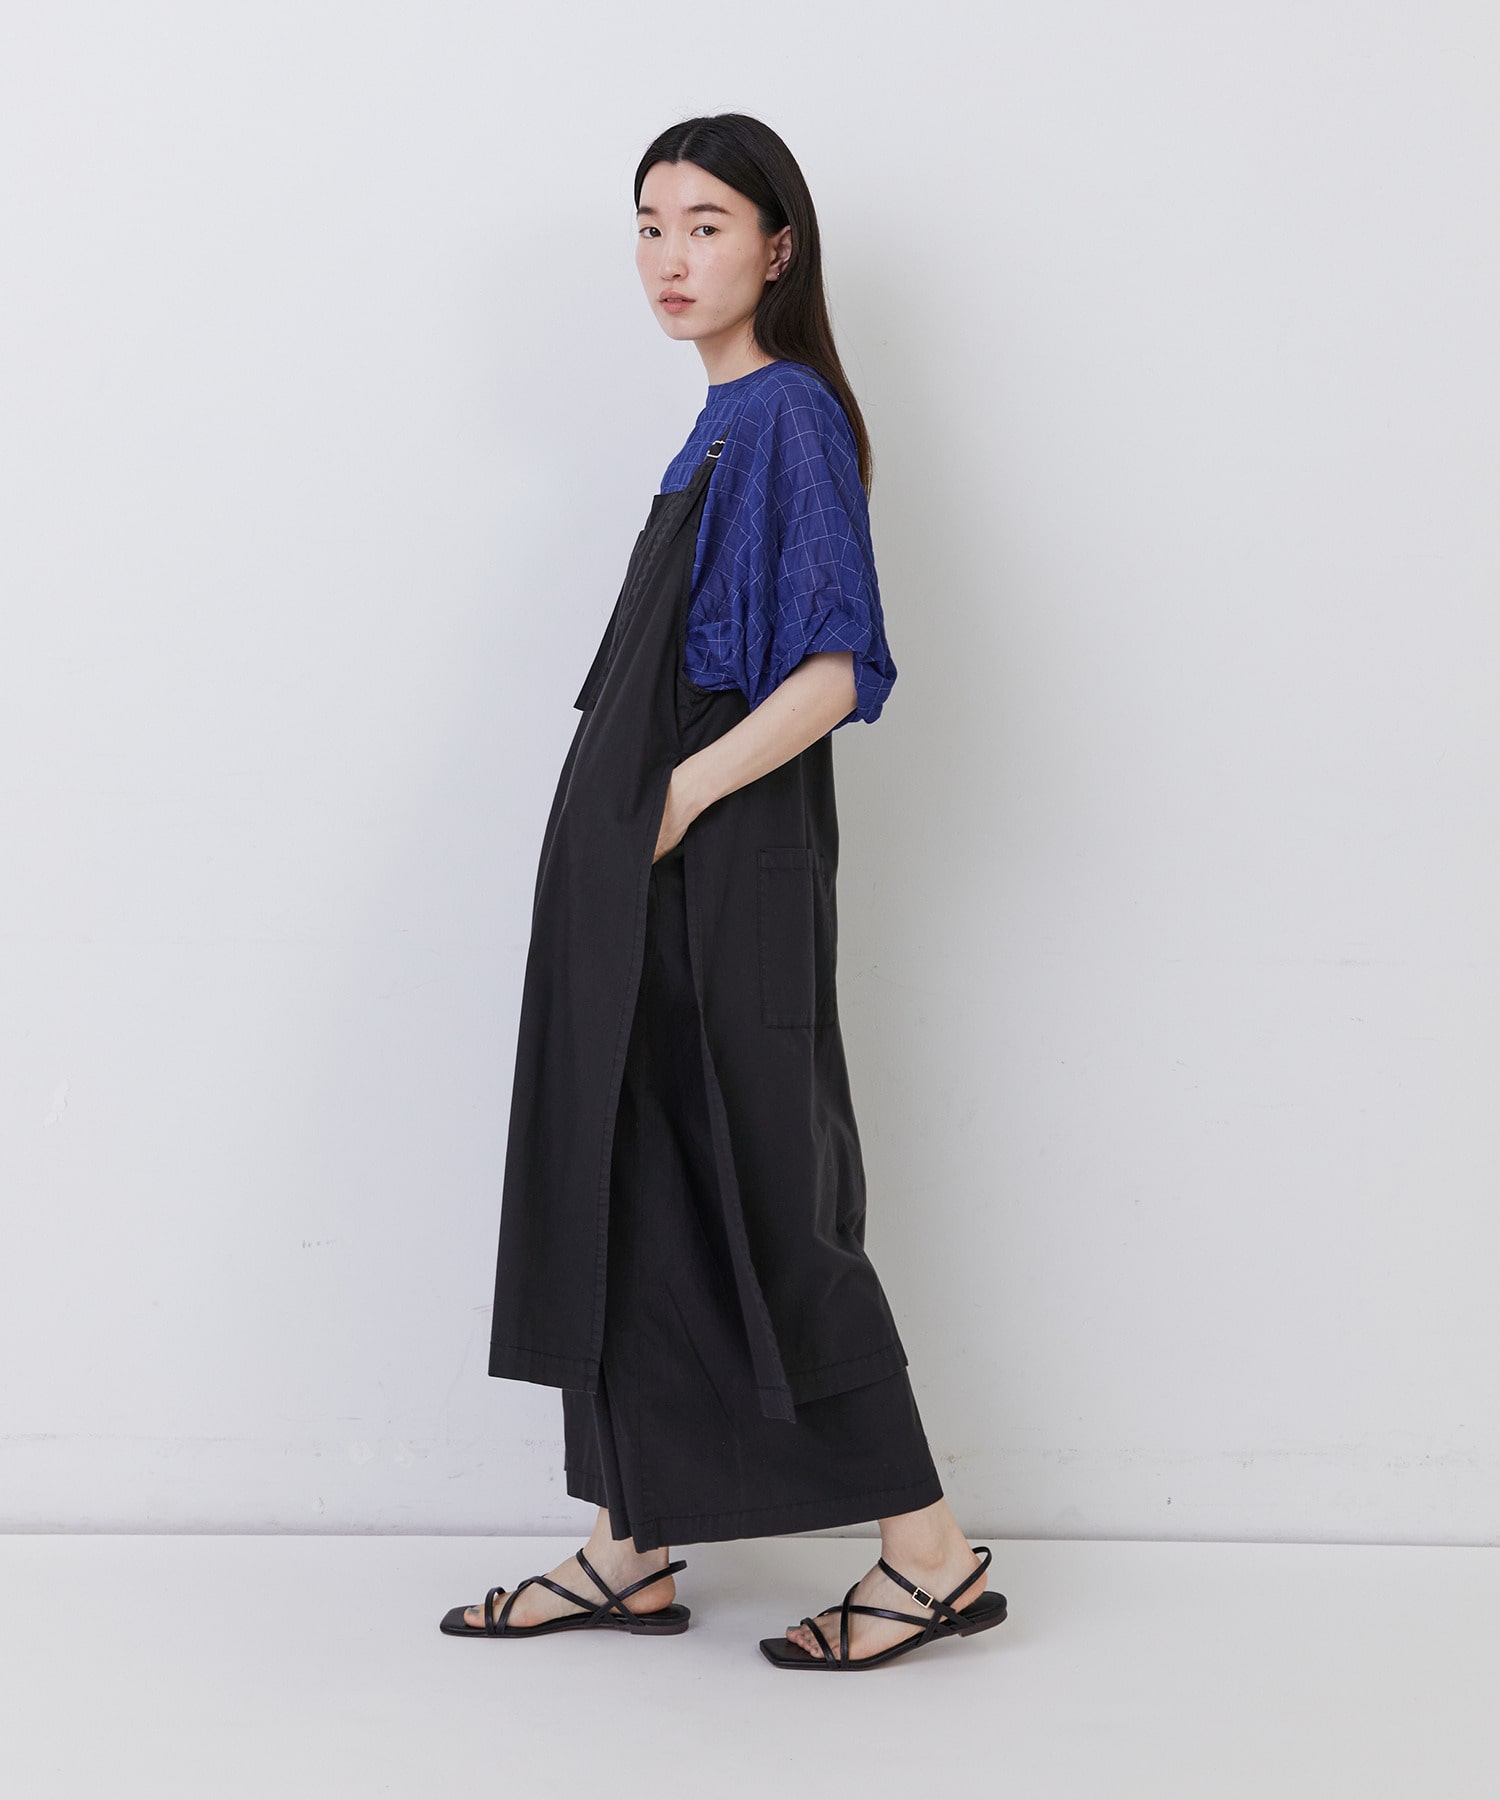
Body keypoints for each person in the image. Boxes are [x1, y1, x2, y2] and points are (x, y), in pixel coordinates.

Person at [440, 114, 1006, 1671]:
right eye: (650, 225)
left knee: (769, 1200)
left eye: (705, 224)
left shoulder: (787, 419)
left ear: (779, 245)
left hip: (720, 871)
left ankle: (931, 1556)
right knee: (633, 1182)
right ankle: (630, 1545)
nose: (670, 258)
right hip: (655, 881)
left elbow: (836, 670)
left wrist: (675, 802)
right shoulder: (718, 423)